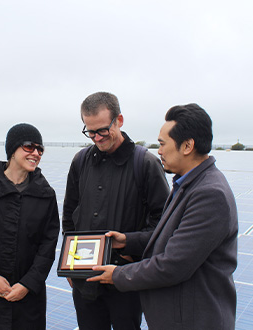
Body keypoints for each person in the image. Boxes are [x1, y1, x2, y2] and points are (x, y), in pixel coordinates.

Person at [88, 103, 238, 329]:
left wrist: (118, 275)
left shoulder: (209, 194)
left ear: (187, 146)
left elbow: (173, 265)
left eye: (162, 144)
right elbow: (172, 239)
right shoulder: (188, 184)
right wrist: (128, 241)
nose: (158, 151)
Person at [62, 92, 170, 330]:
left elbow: (164, 226)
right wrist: (68, 263)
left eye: (102, 130)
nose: (97, 138)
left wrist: (130, 245)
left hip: (126, 283)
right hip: (85, 282)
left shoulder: (146, 164)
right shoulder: (80, 161)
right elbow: (70, 215)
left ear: (119, 120)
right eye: (90, 132)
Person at [0, 123, 60, 330]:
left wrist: (28, 284)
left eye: (40, 149)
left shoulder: (46, 194)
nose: (36, 153)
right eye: (29, 147)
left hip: (27, 301)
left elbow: (48, 245)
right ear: (12, 150)